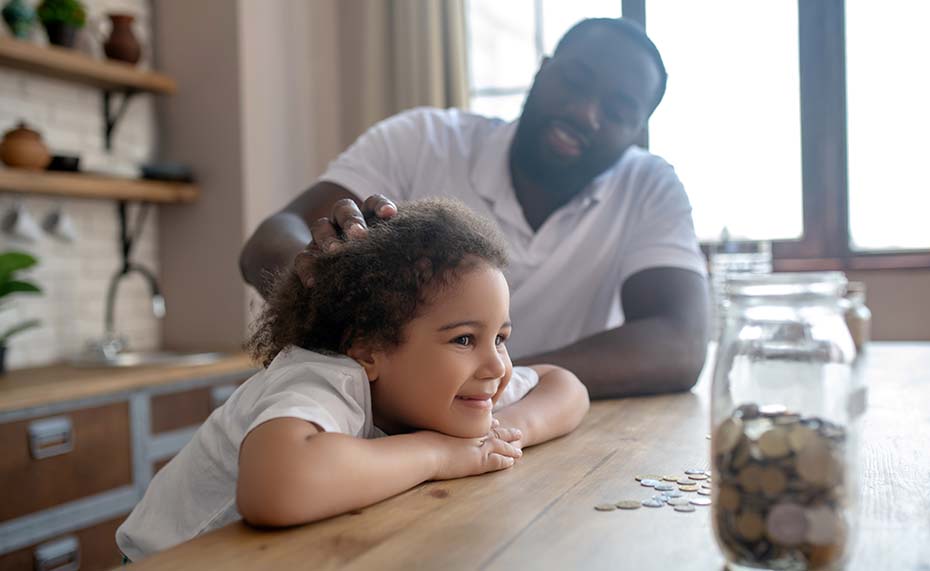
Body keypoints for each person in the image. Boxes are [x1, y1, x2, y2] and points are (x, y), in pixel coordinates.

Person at [240, 18, 710, 400]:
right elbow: (268, 239)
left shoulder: (650, 186)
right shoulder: (421, 140)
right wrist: (323, 274)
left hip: (518, 428)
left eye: (618, 109)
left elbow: (679, 344)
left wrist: (484, 382)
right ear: (542, 70)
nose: (586, 113)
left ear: (638, 132)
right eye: (575, 81)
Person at [117, 198, 589, 560]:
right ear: (367, 348)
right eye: (464, 340)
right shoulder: (323, 377)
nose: (497, 367)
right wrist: (440, 453)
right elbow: (276, 488)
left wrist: (504, 434)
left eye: (501, 338)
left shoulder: (451, 386)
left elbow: (563, 385)